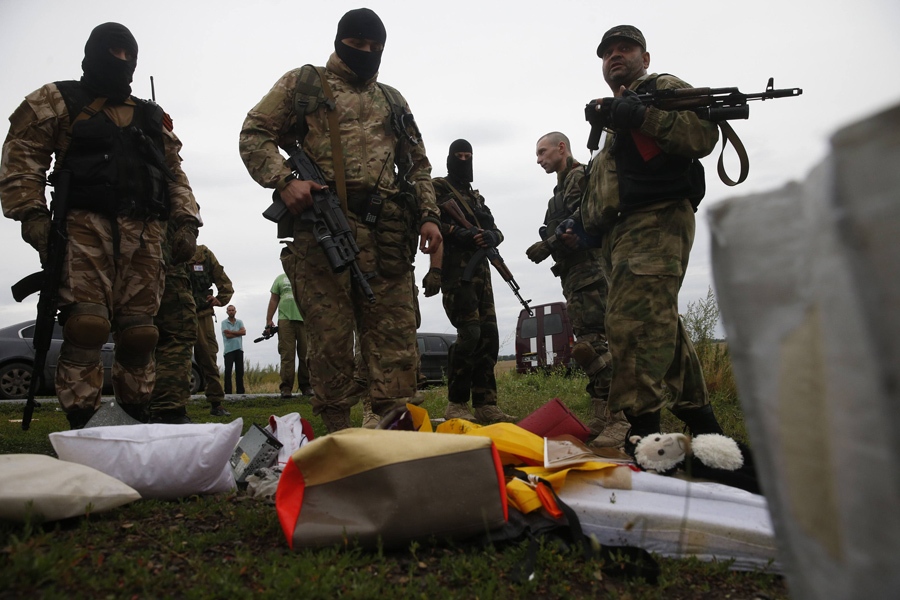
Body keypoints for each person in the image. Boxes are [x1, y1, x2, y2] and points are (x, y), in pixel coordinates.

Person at [239, 8, 442, 432]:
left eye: (376, 47)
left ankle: (393, 440)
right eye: (358, 45)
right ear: (340, 41)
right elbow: (253, 133)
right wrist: (282, 182)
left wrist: (429, 215)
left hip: (387, 232)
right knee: (329, 341)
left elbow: (418, 164)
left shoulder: (392, 98)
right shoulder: (305, 83)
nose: (367, 53)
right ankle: (337, 439)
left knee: (396, 342)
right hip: (322, 228)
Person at [0, 23, 200, 429]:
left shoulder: (150, 116)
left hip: (146, 234)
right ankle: (83, 422)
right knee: (86, 326)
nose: (122, 62)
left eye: (129, 56)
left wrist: (186, 222)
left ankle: (135, 417)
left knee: (141, 334)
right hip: (83, 228)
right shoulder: (57, 100)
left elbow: (175, 175)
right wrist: (32, 215)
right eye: (114, 52)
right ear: (92, 53)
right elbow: (22, 159)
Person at [576, 25, 725, 453]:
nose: (615, 56)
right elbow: (609, 183)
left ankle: (645, 441)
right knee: (662, 332)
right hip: (624, 233)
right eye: (607, 52)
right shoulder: (616, 116)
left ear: (646, 56)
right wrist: (583, 224)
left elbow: (703, 135)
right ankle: (713, 437)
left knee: (629, 327)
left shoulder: (660, 89)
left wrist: (643, 116)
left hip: (654, 222)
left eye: (625, 49)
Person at [528, 132, 628, 447]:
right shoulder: (558, 191)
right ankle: (600, 415)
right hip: (573, 275)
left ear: (562, 148)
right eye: (537, 154)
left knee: (595, 346)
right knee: (588, 344)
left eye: (543, 152)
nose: (540, 159)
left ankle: (621, 419)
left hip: (591, 272)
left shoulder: (580, 177)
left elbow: (586, 216)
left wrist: (550, 244)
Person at [432, 140, 516, 424]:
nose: (464, 160)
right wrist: (458, 232)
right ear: (449, 158)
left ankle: (485, 404)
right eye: (459, 156)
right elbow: (428, 222)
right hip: (457, 273)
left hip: (482, 273)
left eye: (468, 156)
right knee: (470, 334)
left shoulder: (476, 197)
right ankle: (456, 404)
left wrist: (492, 237)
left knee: (489, 338)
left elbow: (494, 228)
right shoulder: (439, 187)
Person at [149, 219, 201, 424]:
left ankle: (137, 410)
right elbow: (187, 211)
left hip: (125, 258)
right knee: (175, 337)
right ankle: (167, 412)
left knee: (134, 331)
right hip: (166, 268)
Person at [189, 243, 233, 416]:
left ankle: (216, 403)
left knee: (208, 358)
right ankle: (174, 406)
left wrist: (221, 299)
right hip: (176, 314)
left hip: (202, 314)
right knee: (176, 361)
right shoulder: (169, 249)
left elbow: (224, 282)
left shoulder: (204, 254)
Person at [266, 273, 312, 399]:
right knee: (287, 355)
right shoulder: (280, 278)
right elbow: (274, 299)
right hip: (285, 320)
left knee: (305, 354)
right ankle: (286, 388)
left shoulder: (306, 276)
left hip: (304, 320)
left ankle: (306, 386)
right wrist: (269, 320)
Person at [221, 304, 246, 395]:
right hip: (228, 350)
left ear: (235, 311)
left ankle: (240, 391)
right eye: (229, 310)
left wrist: (231, 332)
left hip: (239, 349)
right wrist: (238, 333)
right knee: (228, 371)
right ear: (227, 312)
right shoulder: (224, 323)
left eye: (232, 310)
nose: (231, 312)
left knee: (240, 371)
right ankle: (228, 392)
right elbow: (227, 335)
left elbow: (243, 332)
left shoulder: (239, 322)